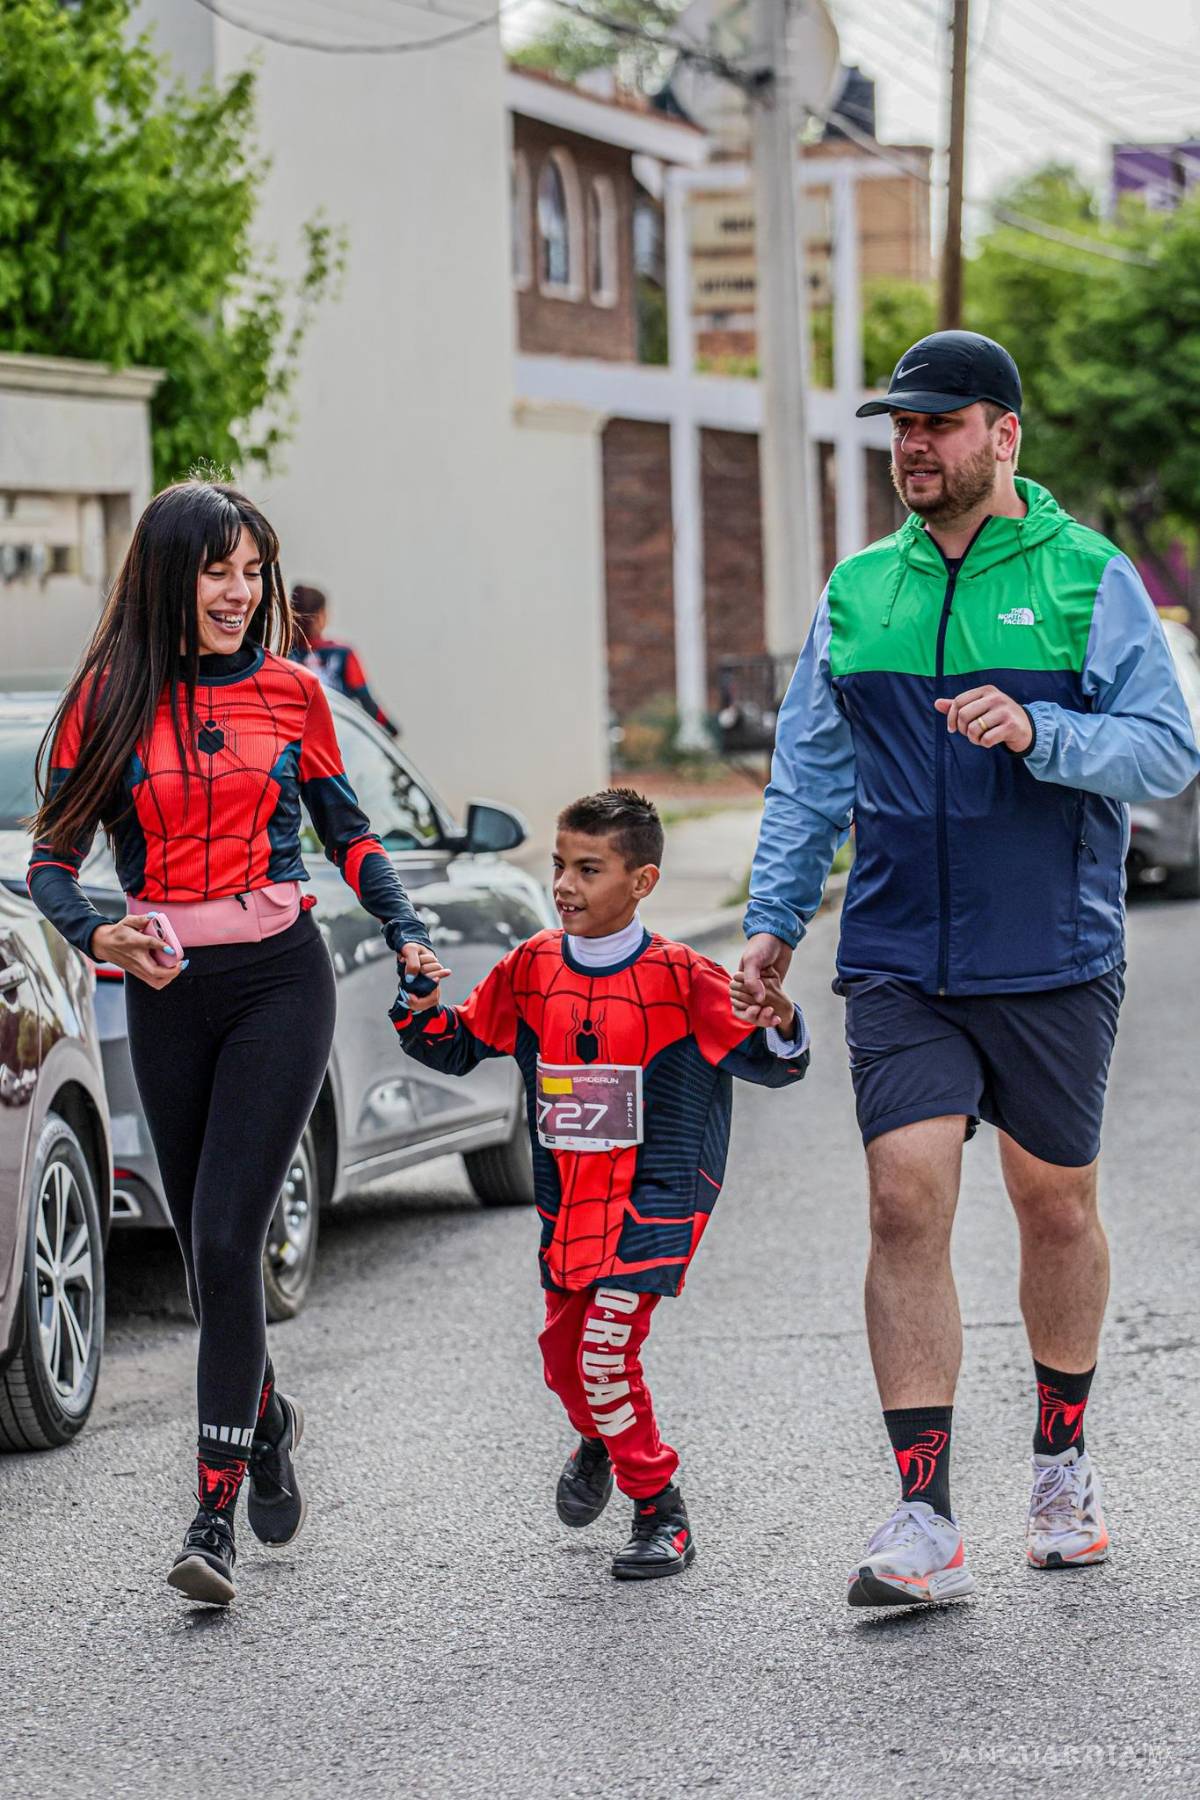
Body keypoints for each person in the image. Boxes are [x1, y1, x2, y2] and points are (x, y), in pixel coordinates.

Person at [734, 330, 1200, 1608]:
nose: (914, 446)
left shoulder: (1085, 576)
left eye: (939, 424)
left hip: (1051, 949)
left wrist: (1042, 729)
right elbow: (810, 775)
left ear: (1004, 435)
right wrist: (774, 921)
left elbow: (1167, 750)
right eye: (902, 426)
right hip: (899, 950)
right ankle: (923, 1512)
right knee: (904, 1199)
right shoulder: (859, 592)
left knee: (1054, 1205)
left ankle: (1061, 1462)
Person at [27, 480, 447, 1608]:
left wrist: (405, 927)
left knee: (225, 1235)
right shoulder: (107, 699)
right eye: (218, 570)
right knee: (202, 1247)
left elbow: (349, 835)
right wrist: (101, 932)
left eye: (253, 571)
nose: (240, 592)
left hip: (278, 982)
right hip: (167, 991)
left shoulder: (294, 692)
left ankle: (210, 1517)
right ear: (171, 575)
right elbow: (51, 862)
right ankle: (266, 1420)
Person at [391, 789, 809, 1580]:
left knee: (605, 1354)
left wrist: (781, 1021)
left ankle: (660, 1510)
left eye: (589, 869)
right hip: (569, 1201)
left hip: (657, 1197)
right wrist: (421, 1004)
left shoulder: (684, 977)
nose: (563, 885)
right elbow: (456, 1045)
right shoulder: (531, 967)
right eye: (559, 865)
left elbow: (776, 1064)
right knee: (563, 1359)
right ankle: (601, 1437)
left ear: (642, 881)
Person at [289, 582, 401, 738]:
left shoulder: (284, 656)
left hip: (295, 738)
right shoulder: (342, 654)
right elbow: (366, 700)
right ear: (321, 616)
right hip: (335, 738)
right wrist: (391, 730)